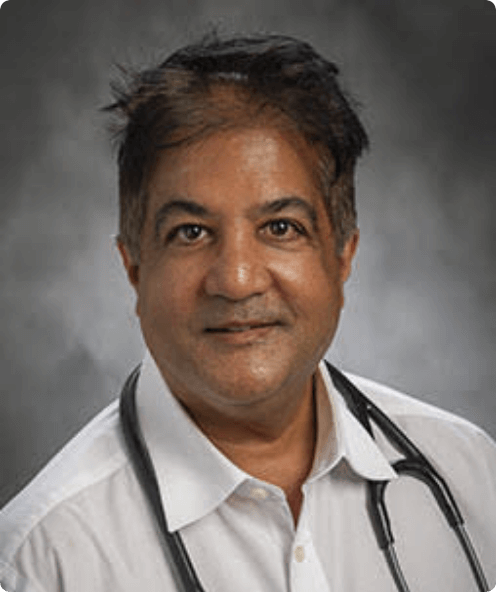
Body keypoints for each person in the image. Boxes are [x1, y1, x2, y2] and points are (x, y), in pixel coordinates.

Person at [0, 33, 495, 592]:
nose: (236, 280)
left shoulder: (472, 475)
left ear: (342, 256)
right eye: (191, 233)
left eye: (281, 227)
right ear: (134, 267)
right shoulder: (37, 562)